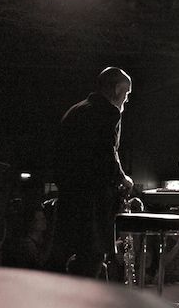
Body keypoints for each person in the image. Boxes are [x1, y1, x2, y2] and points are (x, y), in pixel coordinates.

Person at [49, 67, 134, 278]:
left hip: (69, 198)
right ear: (117, 89)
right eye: (126, 93)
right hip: (94, 201)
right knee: (93, 257)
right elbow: (107, 152)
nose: (126, 99)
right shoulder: (109, 112)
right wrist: (123, 178)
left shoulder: (75, 110)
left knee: (69, 257)